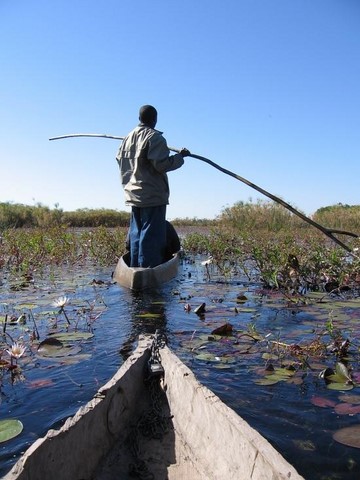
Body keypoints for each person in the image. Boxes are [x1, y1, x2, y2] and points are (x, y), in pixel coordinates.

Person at [116, 105, 190, 267]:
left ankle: (135, 267)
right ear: (155, 120)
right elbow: (162, 165)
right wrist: (180, 157)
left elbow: (119, 160)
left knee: (136, 233)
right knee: (151, 235)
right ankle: (146, 271)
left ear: (139, 119)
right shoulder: (155, 138)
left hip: (133, 195)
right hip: (152, 196)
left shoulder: (126, 139)